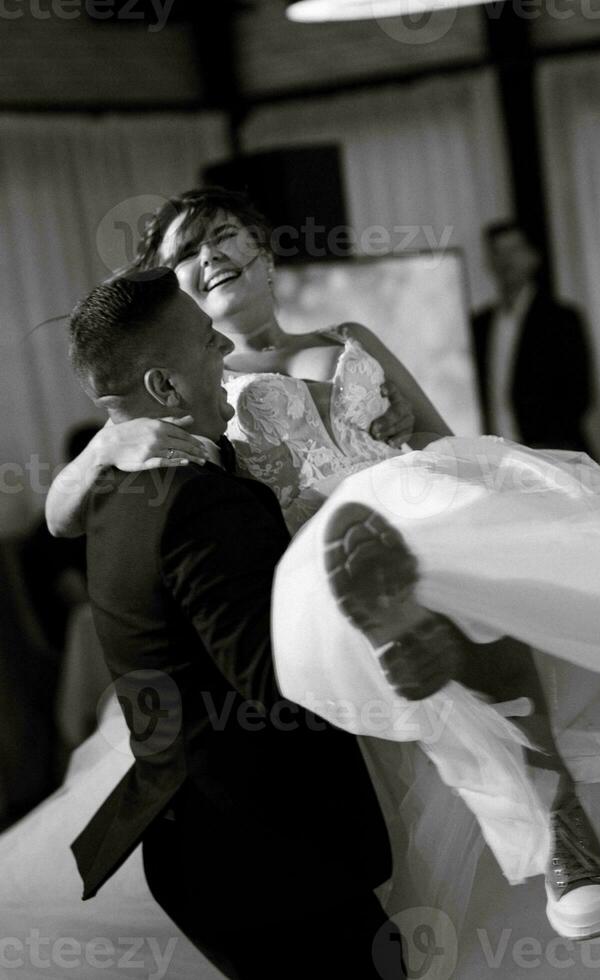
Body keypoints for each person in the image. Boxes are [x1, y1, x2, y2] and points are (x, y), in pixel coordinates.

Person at [42, 187, 600, 942]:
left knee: (443, 513)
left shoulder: (349, 336)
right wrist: (107, 442)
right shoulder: (192, 391)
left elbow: (445, 444)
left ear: (265, 252)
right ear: (173, 290)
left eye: (224, 236)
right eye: (187, 252)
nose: (211, 255)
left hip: (414, 539)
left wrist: (399, 440)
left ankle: (562, 826)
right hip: (320, 576)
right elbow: (64, 515)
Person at [66, 269, 410, 980]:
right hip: (264, 859)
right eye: (204, 338)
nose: (224, 342)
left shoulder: (116, 488)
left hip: (202, 841)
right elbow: (278, 684)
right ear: (164, 388)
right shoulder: (203, 506)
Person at [472, 221, 594, 453]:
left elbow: (579, 396)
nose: (505, 260)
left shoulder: (562, 319)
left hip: (554, 455)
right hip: (497, 458)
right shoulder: (480, 325)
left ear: (533, 257)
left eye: (514, 250)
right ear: (488, 261)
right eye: (497, 251)